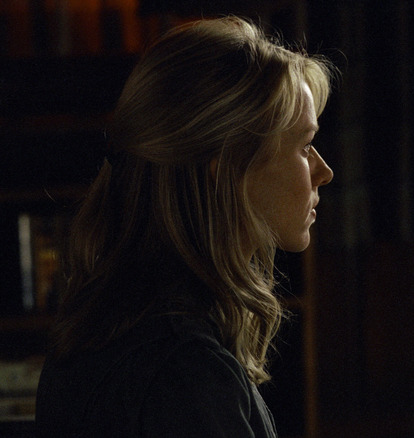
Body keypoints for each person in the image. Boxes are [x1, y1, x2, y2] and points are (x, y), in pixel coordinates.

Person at [35, 16, 334, 437]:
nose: (324, 172)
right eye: (304, 146)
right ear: (227, 166)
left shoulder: (114, 324)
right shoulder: (183, 371)